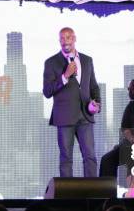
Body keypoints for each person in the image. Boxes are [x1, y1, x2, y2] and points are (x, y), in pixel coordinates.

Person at [43, 27, 101, 177]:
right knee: (66, 158)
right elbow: (47, 91)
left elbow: (93, 86)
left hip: (85, 115)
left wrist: (97, 103)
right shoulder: (51, 62)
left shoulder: (87, 60)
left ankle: (92, 195)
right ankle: (67, 198)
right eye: (62, 38)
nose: (65, 41)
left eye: (68, 37)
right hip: (64, 118)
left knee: (90, 157)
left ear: (74, 39)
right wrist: (65, 76)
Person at [99, 79, 134, 177]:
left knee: (108, 160)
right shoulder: (131, 106)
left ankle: (133, 191)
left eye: (130, 89)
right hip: (129, 146)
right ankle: (107, 191)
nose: (128, 91)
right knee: (107, 159)